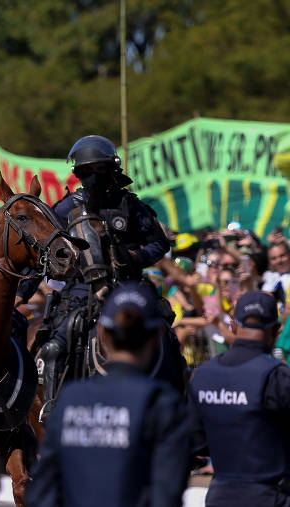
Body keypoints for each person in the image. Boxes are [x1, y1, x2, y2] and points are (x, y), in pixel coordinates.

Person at [38, 135, 172, 417]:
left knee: (167, 340)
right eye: (86, 171)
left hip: (127, 287)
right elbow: (42, 248)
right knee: (53, 347)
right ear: (77, 174)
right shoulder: (65, 208)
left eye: (98, 169)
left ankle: (176, 402)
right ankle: (50, 410)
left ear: (111, 169)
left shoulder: (131, 206)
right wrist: (20, 293)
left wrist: (135, 257)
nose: (93, 177)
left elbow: (160, 243)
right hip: (80, 290)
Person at [26, 282, 190, 507]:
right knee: (53, 348)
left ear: (102, 332)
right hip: (88, 289)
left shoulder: (72, 399)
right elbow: (167, 495)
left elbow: (41, 493)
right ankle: (48, 398)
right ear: (155, 336)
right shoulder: (163, 403)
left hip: (126, 276)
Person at [189, 291, 290, 506]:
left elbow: (196, 444)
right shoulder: (278, 376)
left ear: (233, 325)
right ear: (276, 329)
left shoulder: (202, 375)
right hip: (270, 496)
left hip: (220, 496)